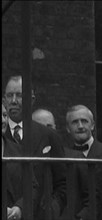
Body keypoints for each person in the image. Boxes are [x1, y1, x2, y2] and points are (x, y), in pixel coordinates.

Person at [3, 75, 67, 220]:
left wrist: (53, 208)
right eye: (9, 96)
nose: (13, 101)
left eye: (19, 95)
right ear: (4, 100)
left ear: (31, 100)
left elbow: (63, 182)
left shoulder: (48, 135)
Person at [62, 104, 102, 220]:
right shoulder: (65, 157)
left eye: (84, 121)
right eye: (75, 122)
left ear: (93, 125)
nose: (80, 126)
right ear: (68, 128)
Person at [2, 103, 39, 220]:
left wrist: (19, 208)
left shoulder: (19, 151)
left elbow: (32, 187)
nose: (2, 120)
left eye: (4, 115)